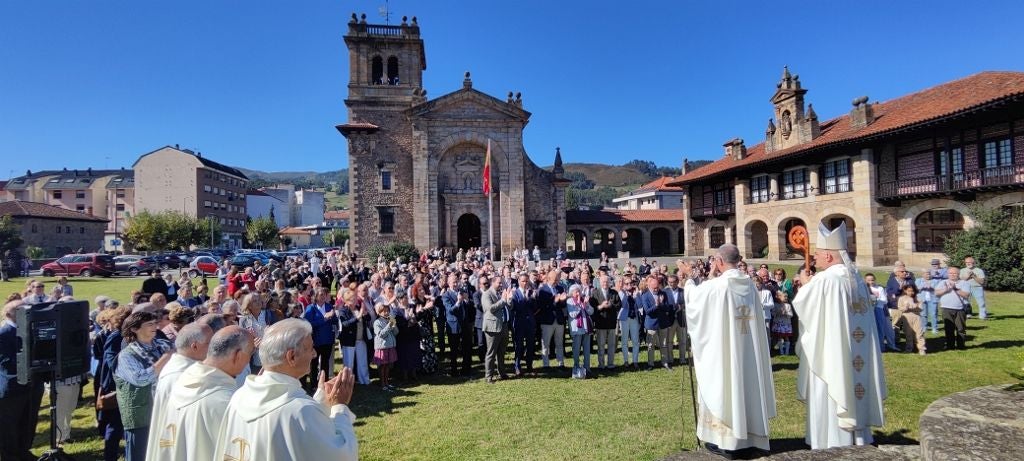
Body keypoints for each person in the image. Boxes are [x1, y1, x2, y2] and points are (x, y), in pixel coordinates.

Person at [793, 223, 886, 450]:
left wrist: (805, 285)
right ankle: (859, 438)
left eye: (816, 254)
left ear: (828, 255)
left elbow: (806, 309)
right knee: (854, 388)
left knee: (833, 390)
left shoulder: (826, 280)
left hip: (832, 352)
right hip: (857, 350)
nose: (814, 258)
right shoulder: (856, 279)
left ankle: (830, 442)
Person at [677, 246, 776, 457]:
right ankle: (749, 438)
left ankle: (728, 441)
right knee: (746, 387)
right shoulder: (749, 284)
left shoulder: (719, 286)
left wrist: (688, 278)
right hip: (748, 350)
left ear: (719, 261)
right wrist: (708, 276)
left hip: (725, 352)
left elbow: (695, 300)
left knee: (726, 386)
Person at [212, 319, 358, 461]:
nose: (314, 354)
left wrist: (322, 400)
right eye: (311, 348)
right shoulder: (301, 411)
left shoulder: (240, 396)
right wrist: (339, 407)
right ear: (292, 356)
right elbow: (341, 455)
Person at [152, 326, 253, 461]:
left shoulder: (183, 381)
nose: (248, 361)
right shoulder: (227, 402)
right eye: (250, 354)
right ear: (238, 355)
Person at [145, 323, 213, 461]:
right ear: (194, 346)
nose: (213, 348)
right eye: (209, 343)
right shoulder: (181, 375)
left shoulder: (181, 366)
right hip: (179, 440)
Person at [115, 311, 174, 461]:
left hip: (165, 410)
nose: (155, 326)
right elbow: (140, 379)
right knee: (139, 455)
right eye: (149, 324)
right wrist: (166, 358)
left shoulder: (164, 345)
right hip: (140, 415)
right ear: (134, 329)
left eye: (155, 323)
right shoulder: (126, 355)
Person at [0, 300, 46, 461]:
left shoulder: (28, 328)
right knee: (10, 427)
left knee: (28, 422)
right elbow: (6, 362)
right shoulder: (3, 333)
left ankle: (23, 450)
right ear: (8, 314)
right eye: (20, 310)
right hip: (12, 389)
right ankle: (11, 456)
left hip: (32, 386)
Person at [303, 287, 336, 393]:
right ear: (315, 296)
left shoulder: (329, 306)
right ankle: (314, 385)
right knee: (314, 363)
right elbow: (309, 324)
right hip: (315, 341)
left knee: (325, 363)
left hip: (327, 340)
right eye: (321, 294)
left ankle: (324, 383)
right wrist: (324, 319)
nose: (323, 296)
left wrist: (333, 316)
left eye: (324, 294)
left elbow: (334, 321)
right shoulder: (311, 308)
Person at [481, 275, 513, 383]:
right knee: (491, 353)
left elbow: (508, 306)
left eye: (502, 283)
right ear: (493, 282)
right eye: (499, 283)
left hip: (503, 326)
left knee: (502, 352)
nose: (501, 285)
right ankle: (488, 376)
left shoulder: (500, 293)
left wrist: (509, 299)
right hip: (492, 328)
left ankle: (502, 373)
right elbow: (490, 309)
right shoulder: (487, 294)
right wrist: (503, 300)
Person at [442, 275, 475, 377]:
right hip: (453, 325)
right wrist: (458, 301)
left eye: (456, 282)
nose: (455, 284)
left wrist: (466, 300)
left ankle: (466, 370)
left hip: (464, 324)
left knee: (466, 348)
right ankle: (454, 371)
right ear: (448, 283)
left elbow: (469, 306)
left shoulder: (462, 291)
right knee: (454, 350)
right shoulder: (446, 295)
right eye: (453, 282)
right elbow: (450, 310)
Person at [638, 275, 672, 371]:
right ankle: (650, 364)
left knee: (664, 344)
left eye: (657, 287)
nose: (656, 289)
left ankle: (665, 362)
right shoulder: (645, 295)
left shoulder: (663, 293)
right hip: (651, 324)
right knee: (650, 345)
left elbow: (667, 308)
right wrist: (656, 305)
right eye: (654, 288)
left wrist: (661, 304)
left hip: (663, 323)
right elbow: (648, 311)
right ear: (649, 286)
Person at [536, 271, 566, 369]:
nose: (556, 281)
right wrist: (554, 301)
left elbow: (563, 306)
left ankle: (560, 363)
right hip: (547, 320)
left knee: (559, 343)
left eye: (557, 279)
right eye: (555, 279)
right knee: (546, 343)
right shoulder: (542, 290)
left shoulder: (560, 288)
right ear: (548, 279)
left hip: (559, 320)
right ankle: (546, 364)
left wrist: (562, 301)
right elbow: (542, 307)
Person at [936, 267, 971, 350]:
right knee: (949, 329)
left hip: (960, 309)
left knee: (961, 329)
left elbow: (966, 295)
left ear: (959, 274)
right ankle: (950, 346)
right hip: (946, 308)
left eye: (954, 273)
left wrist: (955, 288)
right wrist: (946, 289)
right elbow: (936, 293)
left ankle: (961, 346)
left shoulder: (964, 283)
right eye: (950, 273)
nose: (952, 275)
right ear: (948, 274)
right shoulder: (943, 282)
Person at [590, 274, 620, 370]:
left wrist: (611, 305)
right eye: (603, 282)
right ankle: (601, 365)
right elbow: (592, 308)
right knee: (601, 345)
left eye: (607, 282)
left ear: (609, 283)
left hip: (611, 323)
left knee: (611, 345)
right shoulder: (595, 293)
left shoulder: (614, 292)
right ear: (599, 282)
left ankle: (610, 364)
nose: (605, 283)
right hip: (600, 323)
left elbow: (619, 305)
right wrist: (601, 306)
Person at [510, 274, 537, 376]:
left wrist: (533, 298)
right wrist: (525, 298)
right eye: (523, 281)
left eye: (526, 281)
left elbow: (535, 308)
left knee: (530, 345)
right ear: (519, 282)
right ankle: (517, 366)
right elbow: (515, 308)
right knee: (519, 346)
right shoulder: (515, 293)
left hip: (530, 322)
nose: (525, 283)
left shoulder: (531, 292)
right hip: (519, 323)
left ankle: (529, 366)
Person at [566, 284, 594, 379]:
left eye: (579, 291)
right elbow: (573, 314)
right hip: (577, 329)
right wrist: (578, 305)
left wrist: (586, 305)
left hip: (586, 328)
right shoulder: (569, 301)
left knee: (586, 349)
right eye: (576, 292)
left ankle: (587, 368)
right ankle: (576, 367)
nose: (578, 293)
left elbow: (591, 312)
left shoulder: (583, 300)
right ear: (571, 293)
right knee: (576, 349)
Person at [618, 276, 642, 370]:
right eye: (626, 283)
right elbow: (622, 304)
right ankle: (626, 361)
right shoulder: (621, 293)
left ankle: (635, 361)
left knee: (636, 341)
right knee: (624, 341)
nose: (629, 285)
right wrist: (625, 293)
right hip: (624, 318)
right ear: (623, 284)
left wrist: (636, 296)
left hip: (634, 318)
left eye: (630, 283)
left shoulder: (636, 293)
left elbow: (640, 306)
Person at [373, 303, 398, 390]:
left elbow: (396, 332)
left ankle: (387, 382)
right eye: (384, 311)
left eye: (387, 311)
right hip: (382, 347)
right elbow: (381, 334)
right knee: (382, 366)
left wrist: (393, 324)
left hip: (390, 346)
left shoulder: (389, 320)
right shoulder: (377, 322)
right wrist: (389, 325)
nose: (386, 313)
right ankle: (382, 384)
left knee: (388, 365)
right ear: (379, 312)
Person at [895, 284, 926, 355]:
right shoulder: (902, 298)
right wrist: (906, 308)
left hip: (916, 317)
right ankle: (909, 348)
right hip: (907, 317)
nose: (911, 293)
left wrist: (915, 307)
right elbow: (900, 308)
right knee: (908, 334)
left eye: (912, 291)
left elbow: (920, 308)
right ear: (905, 290)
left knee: (919, 333)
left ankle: (921, 349)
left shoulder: (918, 298)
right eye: (909, 291)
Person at [916, 268, 939, 334]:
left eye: (929, 274)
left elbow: (938, 290)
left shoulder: (935, 281)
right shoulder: (918, 280)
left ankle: (934, 328)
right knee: (923, 314)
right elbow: (915, 290)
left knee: (933, 314)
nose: (928, 275)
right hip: (922, 300)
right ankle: (924, 327)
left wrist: (932, 288)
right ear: (922, 274)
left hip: (933, 299)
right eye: (926, 274)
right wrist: (922, 287)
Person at [772, 291, 795, 355]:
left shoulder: (788, 305)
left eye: (786, 296)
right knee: (779, 337)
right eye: (784, 296)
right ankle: (781, 352)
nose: (786, 298)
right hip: (779, 323)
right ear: (779, 297)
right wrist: (777, 313)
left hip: (786, 324)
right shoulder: (776, 305)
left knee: (786, 337)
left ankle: (787, 352)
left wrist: (786, 313)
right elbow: (773, 313)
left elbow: (791, 314)